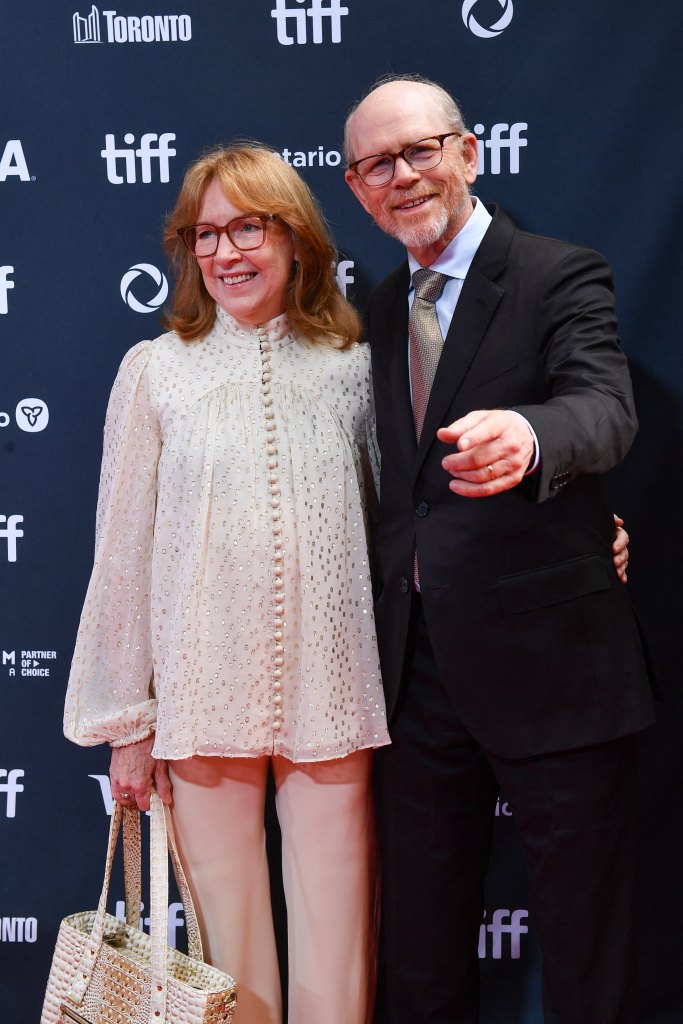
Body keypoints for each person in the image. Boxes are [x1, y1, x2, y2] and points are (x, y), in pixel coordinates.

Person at [343, 75, 655, 1024]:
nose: (401, 176)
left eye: (419, 150)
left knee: (585, 943)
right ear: (355, 189)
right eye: (374, 165)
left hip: (553, 666)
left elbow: (602, 409)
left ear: (468, 153)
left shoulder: (561, 273)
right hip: (419, 676)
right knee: (422, 951)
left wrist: (529, 438)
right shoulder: (375, 307)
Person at [63, 142, 390, 1024]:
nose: (226, 252)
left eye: (249, 226)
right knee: (226, 960)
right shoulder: (155, 370)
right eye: (205, 234)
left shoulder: (354, 366)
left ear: (296, 242)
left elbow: (405, 522)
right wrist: (127, 722)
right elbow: (121, 553)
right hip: (200, 693)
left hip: (333, 685)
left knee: (338, 935)